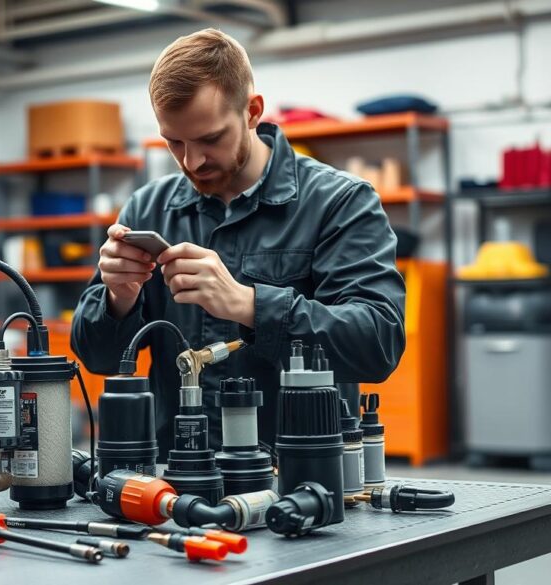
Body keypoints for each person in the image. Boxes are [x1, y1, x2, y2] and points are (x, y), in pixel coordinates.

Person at [70, 28, 406, 455]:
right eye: (175, 142)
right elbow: (98, 359)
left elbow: (378, 342)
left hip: (302, 479)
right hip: (181, 478)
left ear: (252, 111)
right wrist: (119, 300)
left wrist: (249, 305)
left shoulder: (339, 202)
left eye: (210, 139)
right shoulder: (148, 208)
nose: (192, 161)